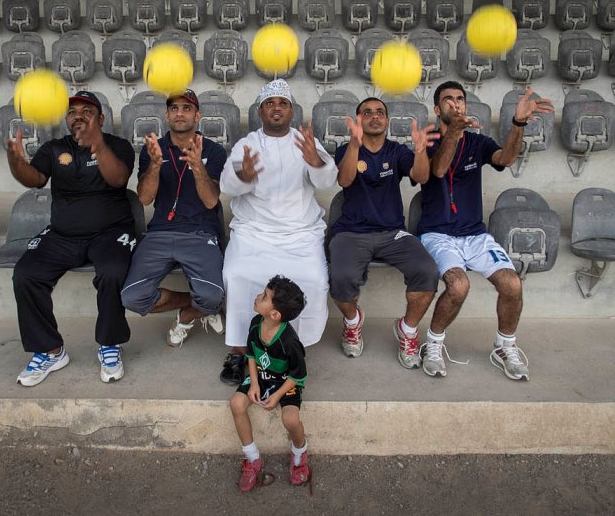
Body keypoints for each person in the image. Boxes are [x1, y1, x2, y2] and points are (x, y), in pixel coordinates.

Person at [417, 81, 554, 380]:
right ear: (437, 109)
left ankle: (505, 345)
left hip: (475, 234)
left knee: (512, 285)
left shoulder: (478, 143)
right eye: (448, 100)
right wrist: (452, 131)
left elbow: (505, 158)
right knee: (458, 286)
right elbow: (438, 170)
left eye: (460, 99)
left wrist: (518, 123)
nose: (455, 104)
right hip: (437, 233)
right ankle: (433, 344)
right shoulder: (425, 140)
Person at [8, 91, 137, 386]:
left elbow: (117, 179)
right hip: (63, 234)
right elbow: (35, 179)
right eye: (72, 112)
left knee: (114, 271)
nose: (78, 116)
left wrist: (98, 145)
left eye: (87, 111)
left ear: (101, 119)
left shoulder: (118, 146)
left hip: (111, 232)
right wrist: (16, 161)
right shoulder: (54, 148)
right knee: (26, 274)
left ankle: (109, 344)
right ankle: (51, 350)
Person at [219, 79, 338, 384]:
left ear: (290, 111)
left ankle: (292, 347)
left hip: (299, 234)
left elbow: (327, 181)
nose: (276, 108)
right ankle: (238, 350)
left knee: (314, 278)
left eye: (282, 104)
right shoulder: (247, 144)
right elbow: (226, 185)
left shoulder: (304, 142)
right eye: (270, 103)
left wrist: (315, 161)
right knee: (237, 276)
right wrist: (242, 176)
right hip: (253, 233)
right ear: (260, 111)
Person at [330, 97, 440, 365]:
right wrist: (355, 144)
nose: (374, 116)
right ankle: (353, 322)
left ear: (387, 121)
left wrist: (420, 151)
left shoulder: (396, 151)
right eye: (367, 113)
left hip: (392, 233)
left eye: (380, 112)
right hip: (351, 232)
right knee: (341, 279)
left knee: (428, 271)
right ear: (358, 120)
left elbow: (422, 177)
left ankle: (408, 330)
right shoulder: (346, 149)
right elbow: (344, 180)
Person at [120, 89, 227, 346]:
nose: (180, 113)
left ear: (197, 115)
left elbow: (211, 200)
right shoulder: (154, 149)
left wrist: (197, 166)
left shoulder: (213, 150)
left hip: (200, 233)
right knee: (132, 298)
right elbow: (144, 198)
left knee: (213, 296)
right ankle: (196, 304)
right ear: (167, 115)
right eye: (174, 108)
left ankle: (189, 314)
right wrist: (155, 165)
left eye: (187, 108)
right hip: (160, 233)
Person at [229, 275, 310, 492]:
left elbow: (298, 375)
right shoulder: (256, 324)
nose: (258, 296)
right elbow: (253, 355)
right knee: (237, 403)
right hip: (262, 377)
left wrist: (277, 396)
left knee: (291, 419)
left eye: (264, 296)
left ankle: (300, 454)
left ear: (275, 314)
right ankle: (252, 458)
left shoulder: (289, 341)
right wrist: (254, 383)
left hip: (285, 381)